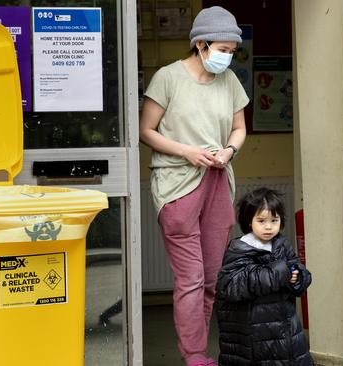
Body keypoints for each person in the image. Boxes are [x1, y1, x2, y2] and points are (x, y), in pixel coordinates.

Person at [138, 6, 249, 366]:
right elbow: (145, 131)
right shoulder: (167, 78)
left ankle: (198, 353)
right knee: (190, 279)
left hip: (218, 181)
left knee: (211, 280)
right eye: (222, 49)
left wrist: (229, 150)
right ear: (200, 44)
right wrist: (187, 151)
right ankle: (195, 356)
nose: (227, 57)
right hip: (177, 187)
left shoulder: (229, 81)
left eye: (232, 52)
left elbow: (239, 128)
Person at [215, 188, 313, 366]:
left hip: (286, 334)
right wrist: (280, 273)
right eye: (261, 221)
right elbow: (231, 286)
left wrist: (297, 278)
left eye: (274, 220)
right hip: (253, 339)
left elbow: (298, 269)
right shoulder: (239, 249)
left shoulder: (282, 245)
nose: (269, 227)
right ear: (249, 222)